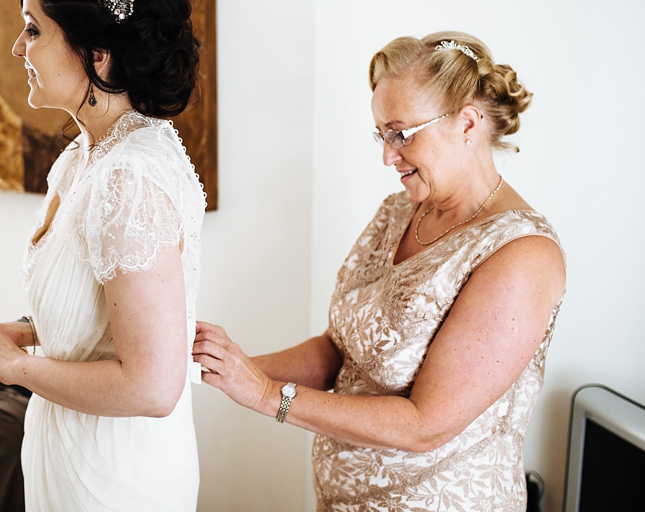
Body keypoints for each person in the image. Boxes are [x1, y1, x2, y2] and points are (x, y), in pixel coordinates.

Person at [194, 32, 566, 512]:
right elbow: (338, 350)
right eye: (381, 135)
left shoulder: (520, 254)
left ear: (468, 123)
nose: (388, 156)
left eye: (401, 133)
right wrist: (227, 369)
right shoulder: (399, 211)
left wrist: (267, 396)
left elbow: (424, 423)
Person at [0, 0, 206, 511]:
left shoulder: (130, 179)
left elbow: (154, 386)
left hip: (116, 476)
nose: (17, 47)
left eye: (33, 30)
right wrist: (20, 332)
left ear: (98, 55)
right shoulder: (86, 157)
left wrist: (16, 367)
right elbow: (99, 315)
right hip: (68, 451)